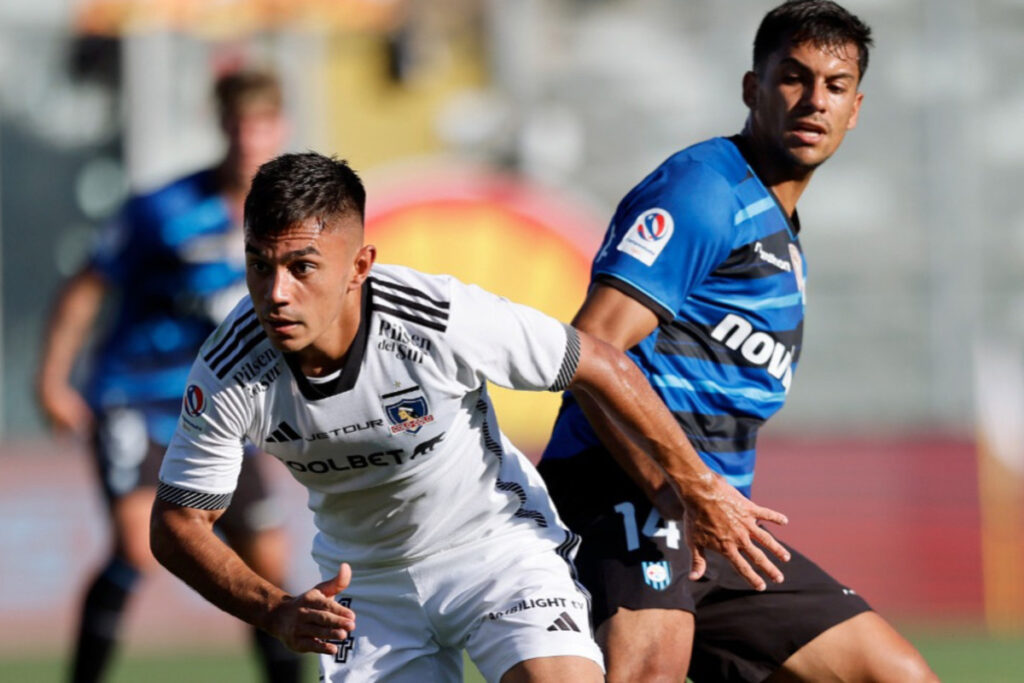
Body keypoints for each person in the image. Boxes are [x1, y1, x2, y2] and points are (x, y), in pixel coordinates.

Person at [149, 151, 793, 683]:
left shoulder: (438, 317)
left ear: (360, 268)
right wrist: (276, 612)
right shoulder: (231, 366)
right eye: (259, 266)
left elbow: (600, 361)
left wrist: (696, 485)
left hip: (496, 552)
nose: (276, 293)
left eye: (301, 267)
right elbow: (178, 524)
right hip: (366, 591)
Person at [537, 1, 940, 681]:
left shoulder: (782, 228)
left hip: (716, 521)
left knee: (896, 673)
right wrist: (689, 488)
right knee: (650, 671)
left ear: (856, 108)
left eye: (835, 86)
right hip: (623, 491)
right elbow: (590, 350)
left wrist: (705, 501)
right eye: (793, 77)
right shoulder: (706, 189)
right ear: (752, 89)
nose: (815, 100)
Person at [36, 69, 302, 683]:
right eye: (238, 126)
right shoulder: (163, 209)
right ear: (221, 129)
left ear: (280, 129)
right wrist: (52, 379)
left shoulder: (285, 222)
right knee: (138, 547)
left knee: (268, 565)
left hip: (222, 409)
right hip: (135, 395)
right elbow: (85, 288)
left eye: (261, 126)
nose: (249, 140)